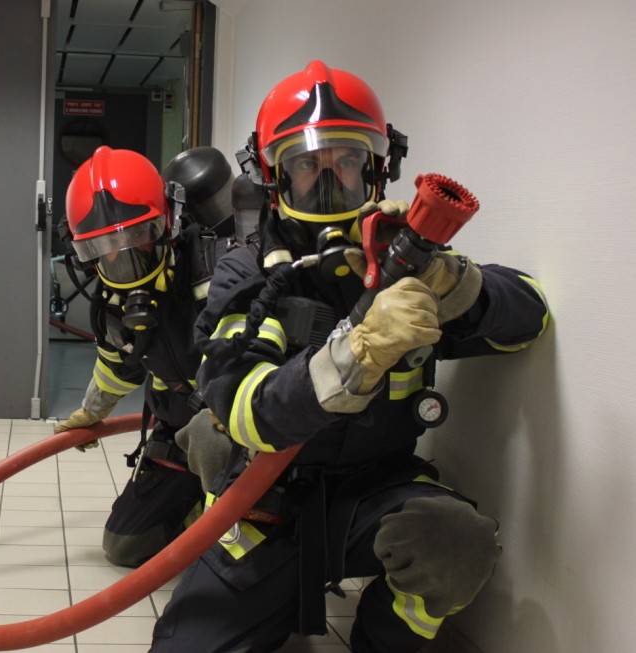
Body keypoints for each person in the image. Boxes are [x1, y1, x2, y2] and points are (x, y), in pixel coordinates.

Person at [150, 60, 550, 652]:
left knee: (454, 540)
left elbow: (530, 317)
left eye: (347, 160)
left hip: (376, 487)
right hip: (267, 496)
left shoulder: (404, 267)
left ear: (378, 169)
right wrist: (356, 352)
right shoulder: (246, 273)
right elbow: (242, 408)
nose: (328, 178)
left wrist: (454, 283)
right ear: (272, 176)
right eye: (306, 162)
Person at [55, 145, 236, 567]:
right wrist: (91, 411)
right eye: (106, 246)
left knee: (216, 455)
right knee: (125, 545)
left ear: (166, 224)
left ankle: (234, 529)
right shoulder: (113, 303)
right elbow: (118, 365)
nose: (124, 257)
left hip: (235, 433)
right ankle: (196, 508)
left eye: (137, 235)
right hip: (175, 429)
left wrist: (230, 406)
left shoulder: (215, 270)